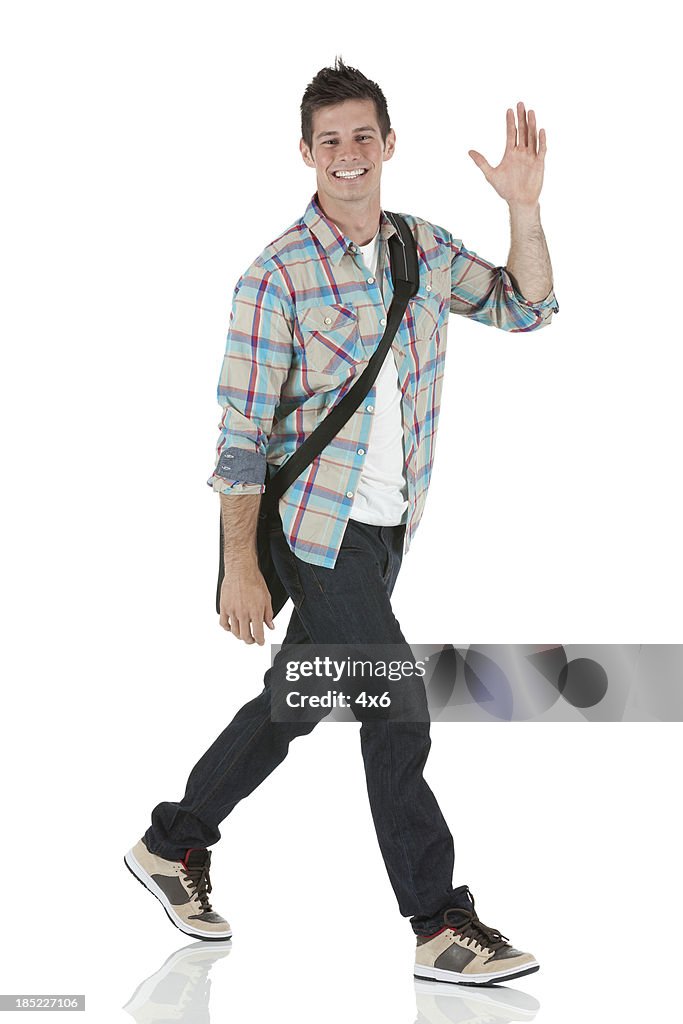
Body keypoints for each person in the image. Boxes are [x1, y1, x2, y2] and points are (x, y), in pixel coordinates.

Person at [124, 56, 558, 986]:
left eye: (364, 136)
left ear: (388, 143)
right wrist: (241, 566)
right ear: (306, 153)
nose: (349, 155)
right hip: (310, 531)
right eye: (331, 141)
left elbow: (527, 308)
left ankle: (173, 841)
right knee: (394, 703)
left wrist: (521, 209)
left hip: (387, 528)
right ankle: (438, 922)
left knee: (299, 698)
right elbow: (242, 440)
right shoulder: (274, 276)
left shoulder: (420, 249)